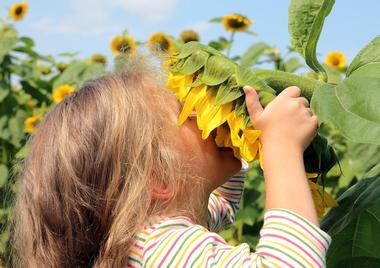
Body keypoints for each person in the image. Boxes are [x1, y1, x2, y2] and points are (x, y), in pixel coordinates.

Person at [11, 56, 330, 267]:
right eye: (185, 110)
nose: (200, 114)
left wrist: (233, 131)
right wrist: (282, 147)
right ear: (160, 177)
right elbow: (293, 262)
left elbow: (222, 206)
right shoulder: (159, 247)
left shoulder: (141, 237)